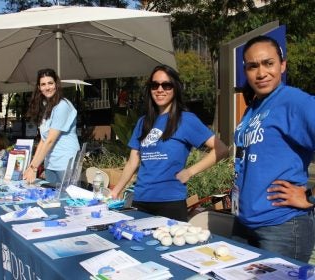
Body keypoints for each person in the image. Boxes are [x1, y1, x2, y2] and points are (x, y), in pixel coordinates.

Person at [232, 35, 315, 262]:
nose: (261, 73)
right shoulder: (254, 108)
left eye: (269, 63)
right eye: (253, 66)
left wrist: (309, 196)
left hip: (281, 227)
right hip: (244, 224)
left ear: (283, 65)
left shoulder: (294, 101)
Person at [110, 64, 228, 221]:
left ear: (175, 88)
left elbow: (222, 149)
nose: (160, 90)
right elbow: (133, 162)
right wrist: (116, 190)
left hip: (170, 202)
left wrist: (190, 172)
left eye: (166, 85)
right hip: (141, 199)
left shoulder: (186, 120)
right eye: (154, 85)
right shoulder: (143, 122)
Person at [23, 68, 80, 184]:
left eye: (50, 83)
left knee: (68, 199)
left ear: (56, 84)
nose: (47, 87)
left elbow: (50, 140)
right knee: (51, 200)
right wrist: (32, 165)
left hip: (66, 162)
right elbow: (43, 140)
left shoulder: (62, 105)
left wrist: (34, 168)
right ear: (39, 88)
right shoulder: (47, 107)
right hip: (50, 163)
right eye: (43, 84)